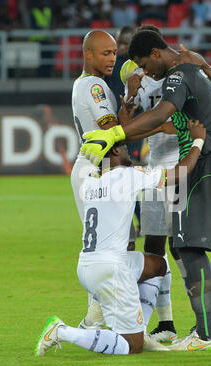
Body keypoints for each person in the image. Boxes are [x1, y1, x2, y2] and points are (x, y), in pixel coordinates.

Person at [81, 29, 211, 351]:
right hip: (185, 164)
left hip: (195, 164)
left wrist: (113, 136)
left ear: (155, 54)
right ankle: (183, 326)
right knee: (177, 247)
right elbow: (166, 116)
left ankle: (207, 333)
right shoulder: (179, 70)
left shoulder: (178, 74)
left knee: (188, 249)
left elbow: (162, 114)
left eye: (143, 63)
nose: (144, 71)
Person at [36, 120, 209, 356]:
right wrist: (197, 141)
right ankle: (61, 331)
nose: (131, 150)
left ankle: (140, 330)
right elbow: (179, 174)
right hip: (110, 269)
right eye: (126, 146)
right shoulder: (127, 176)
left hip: (89, 264)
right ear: (116, 150)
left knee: (158, 265)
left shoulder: (88, 181)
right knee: (131, 346)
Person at [71, 29, 137, 332]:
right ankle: (95, 321)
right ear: (88, 54)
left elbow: (117, 127)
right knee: (111, 248)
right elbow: (113, 131)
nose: (112, 58)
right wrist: (157, 124)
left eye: (114, 52)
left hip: (99, 170)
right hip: (99, 170)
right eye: (105, 53)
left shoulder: (90, 84)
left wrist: (128, 106)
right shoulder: (94, 86)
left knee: (113, 246)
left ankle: (99, 318)